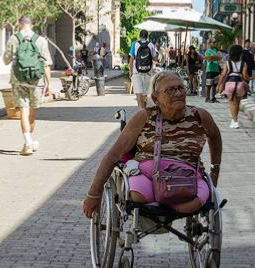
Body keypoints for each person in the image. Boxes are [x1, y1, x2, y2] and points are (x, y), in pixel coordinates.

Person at [82, 70, 223, 218]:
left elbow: (215, 137)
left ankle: (167, 206)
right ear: (156, 98)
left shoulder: (199, 116)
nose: (178, 93)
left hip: (187, 176)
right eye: (170, 90)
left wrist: (215, 169)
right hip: (148, 174)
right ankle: (159, 209)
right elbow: (113, 155)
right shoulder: (144, 117)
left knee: (197, 202)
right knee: (138, 195)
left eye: (181, 88)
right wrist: (94, 194)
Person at [2, 15, 53, 156]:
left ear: (19, 24)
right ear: (32, 25)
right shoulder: (40, 40)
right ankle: (30, 140)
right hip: (35, 81)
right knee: (32, 111)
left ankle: (28, 142)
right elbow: (46, 64)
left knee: (24, 111)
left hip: (18, 80)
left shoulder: (14, 39)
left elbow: (6, 60)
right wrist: (49, 83)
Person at [222, 44, 250, 129]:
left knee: (232, 103)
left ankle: (234, 121)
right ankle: (235, 119)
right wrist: (251, 78)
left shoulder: (227, 63)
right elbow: (245, 76)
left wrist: (220, 85)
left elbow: (223, 74)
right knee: (237, 103)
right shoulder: (243, 63)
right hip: (239, 84)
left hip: (229, 83)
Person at [130, 30, 158, 109]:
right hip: (147, 71)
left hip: (136, 71)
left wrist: (130, 71)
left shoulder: (135, 44)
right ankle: (144, 110)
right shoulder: (151, 45)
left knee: (138, 92)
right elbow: (155, 59)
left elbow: (131, 58)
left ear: (140, 36)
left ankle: (140, 109)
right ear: (147, 36)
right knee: (145, 93)